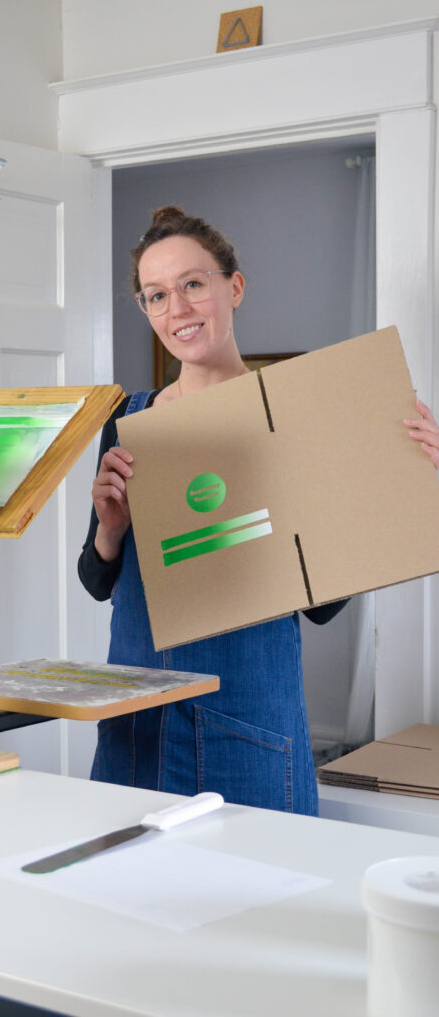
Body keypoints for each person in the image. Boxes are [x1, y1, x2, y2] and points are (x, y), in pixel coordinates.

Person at [78, 205, 439, 816]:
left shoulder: (293, 419)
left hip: (246, 726)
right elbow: (95, 579)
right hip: (137, 721)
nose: (178, 310)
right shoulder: (128, 419)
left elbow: (322, 605)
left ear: (234, 286)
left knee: (257, 901)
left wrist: (404, 482)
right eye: (156, 295)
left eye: (193, 284)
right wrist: (111, 531)